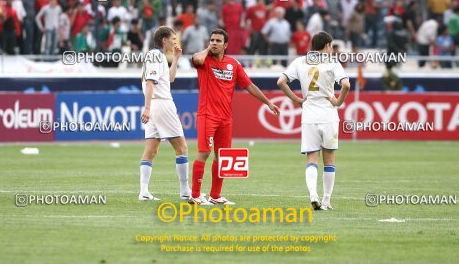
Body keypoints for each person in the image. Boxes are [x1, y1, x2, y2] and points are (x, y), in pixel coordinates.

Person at [189, 28, 280, 205]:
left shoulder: (233, 64)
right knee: (204, 153)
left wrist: (267, 102)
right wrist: (208, 49)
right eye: (212, 40)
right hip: (208, 115)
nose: (214, 43)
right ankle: (195, 195)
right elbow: (197, 59)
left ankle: (215, 196)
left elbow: (249, 85)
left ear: (226, 45)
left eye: (218, 41)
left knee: (222, 156)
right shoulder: (204, 60)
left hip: (226, 118)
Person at [277, 31, 350, 211]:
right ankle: (326, 201)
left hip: (309, 116)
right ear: (326, 46)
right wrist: (338, 102)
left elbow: (281, 81)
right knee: (330, 159)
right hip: (328, 116)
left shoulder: (300, 61)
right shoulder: (332, 62)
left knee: (312, 158)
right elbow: (346, 85)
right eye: (331, 46)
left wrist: (295, 99)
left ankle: (313, 195)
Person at [139, 26, 191, 201]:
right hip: (161, 104)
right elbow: (150, 83)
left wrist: (175, 59)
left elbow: (169, 78)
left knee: (151, 150)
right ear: (164, 40)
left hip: (154, 106)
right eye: (172, 39)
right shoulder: (155, 55)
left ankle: (144, 191)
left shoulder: (159, 56)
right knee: (182, 148)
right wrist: (146, 108)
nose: (174, 42)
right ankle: (185, 191)